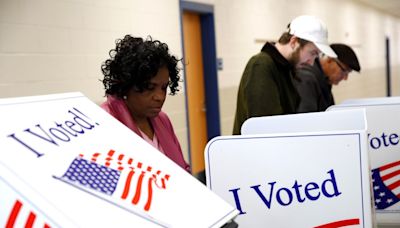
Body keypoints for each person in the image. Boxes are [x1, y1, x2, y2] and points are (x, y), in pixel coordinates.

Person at [232, 15, 337, 134]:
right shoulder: (261, 65)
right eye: (312, 53)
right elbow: (265, 129)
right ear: (293, 42)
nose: (311, 62)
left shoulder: (286, 68)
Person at [100, 35, 190, 172]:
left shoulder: (162, 119)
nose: (160, 97)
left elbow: (182, 167)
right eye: (149, 87)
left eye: (164, 87)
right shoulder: (105, 122)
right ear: (126, 84)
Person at [294, 43, 361, 112]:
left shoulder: (324, 80)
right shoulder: (307, 79)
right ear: (330, 60)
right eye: (344, 71)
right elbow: (306, 118)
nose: (345, 78)